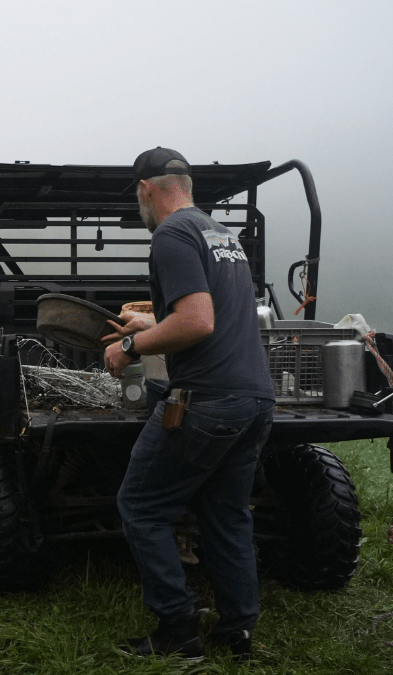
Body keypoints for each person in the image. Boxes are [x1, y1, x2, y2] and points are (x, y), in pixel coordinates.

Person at [101, 147, 275, 662]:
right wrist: (152, 325)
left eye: (138, 197)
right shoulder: (223, 237)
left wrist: (127, 347)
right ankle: (237, 632)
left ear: (147, 189)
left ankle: (179, 630)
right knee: (226, 512)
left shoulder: (171, 235)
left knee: (141, 506)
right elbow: (209, 314)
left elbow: (198, 323)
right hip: (254, 400)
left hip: (206, 401)